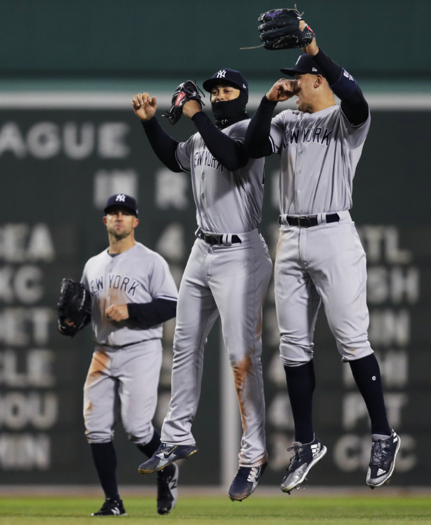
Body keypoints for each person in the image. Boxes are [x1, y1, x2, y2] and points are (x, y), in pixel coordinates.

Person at [243, 25, 401, 491]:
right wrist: (270, 100)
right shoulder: (286, 121)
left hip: (334, 233)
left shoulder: (344, 121)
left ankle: (383, 433)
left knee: (352, 339)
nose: (293, 83)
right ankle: (306, 443)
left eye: (300, 78)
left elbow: (355, 97)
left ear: (318, 81)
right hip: (290, 234)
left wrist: (314, 50)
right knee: (292, 346)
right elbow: (251, 148)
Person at [131, 69, 272, 501]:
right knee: (185, 343)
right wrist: (150, 122)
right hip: (203, 248)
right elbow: (174, 157)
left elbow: (233, 158)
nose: (219, 95)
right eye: (214, 91)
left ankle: (253, 455)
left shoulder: (250, 130)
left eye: (227, 90)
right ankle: (177, 435)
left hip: (241, 252)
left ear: (242, 96)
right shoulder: (201, 136)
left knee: (241, 357)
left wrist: (195, 114)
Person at [58, 193, 179, 516]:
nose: (119, 217)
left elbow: (171, 304)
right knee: (95, 427)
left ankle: (167, 469)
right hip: (103, 351)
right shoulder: (93, 265)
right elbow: (84, 311)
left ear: (135, 221)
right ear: (105, 221)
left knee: (137, 427)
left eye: (126, 213)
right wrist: (71, 323)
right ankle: (113, 502)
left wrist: (132, 310)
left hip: (141, 348)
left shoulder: (151, 260)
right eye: (114, 212)